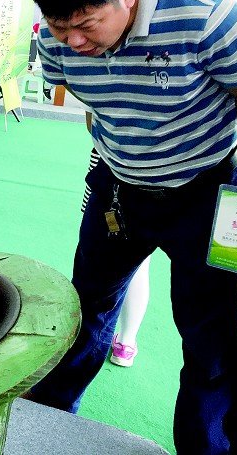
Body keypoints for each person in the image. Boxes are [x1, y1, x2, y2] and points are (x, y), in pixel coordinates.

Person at [26, 0, 237, 454]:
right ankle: (46, 420)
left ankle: (208, 447)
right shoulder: (57, 36)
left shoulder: (207, 16)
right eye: (59, 27)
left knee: (209, 334)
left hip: (209, 192)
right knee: (85, 306)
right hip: (118, 187)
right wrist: (127, 152)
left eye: (87, 25)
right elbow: (90, 104)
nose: (73, 41)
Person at [80, 142, 150, 368]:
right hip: (189, 173)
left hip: (117, 168)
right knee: (139, 263)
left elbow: (92, 126)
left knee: (103, 273)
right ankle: (126, 342)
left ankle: (115, 343)